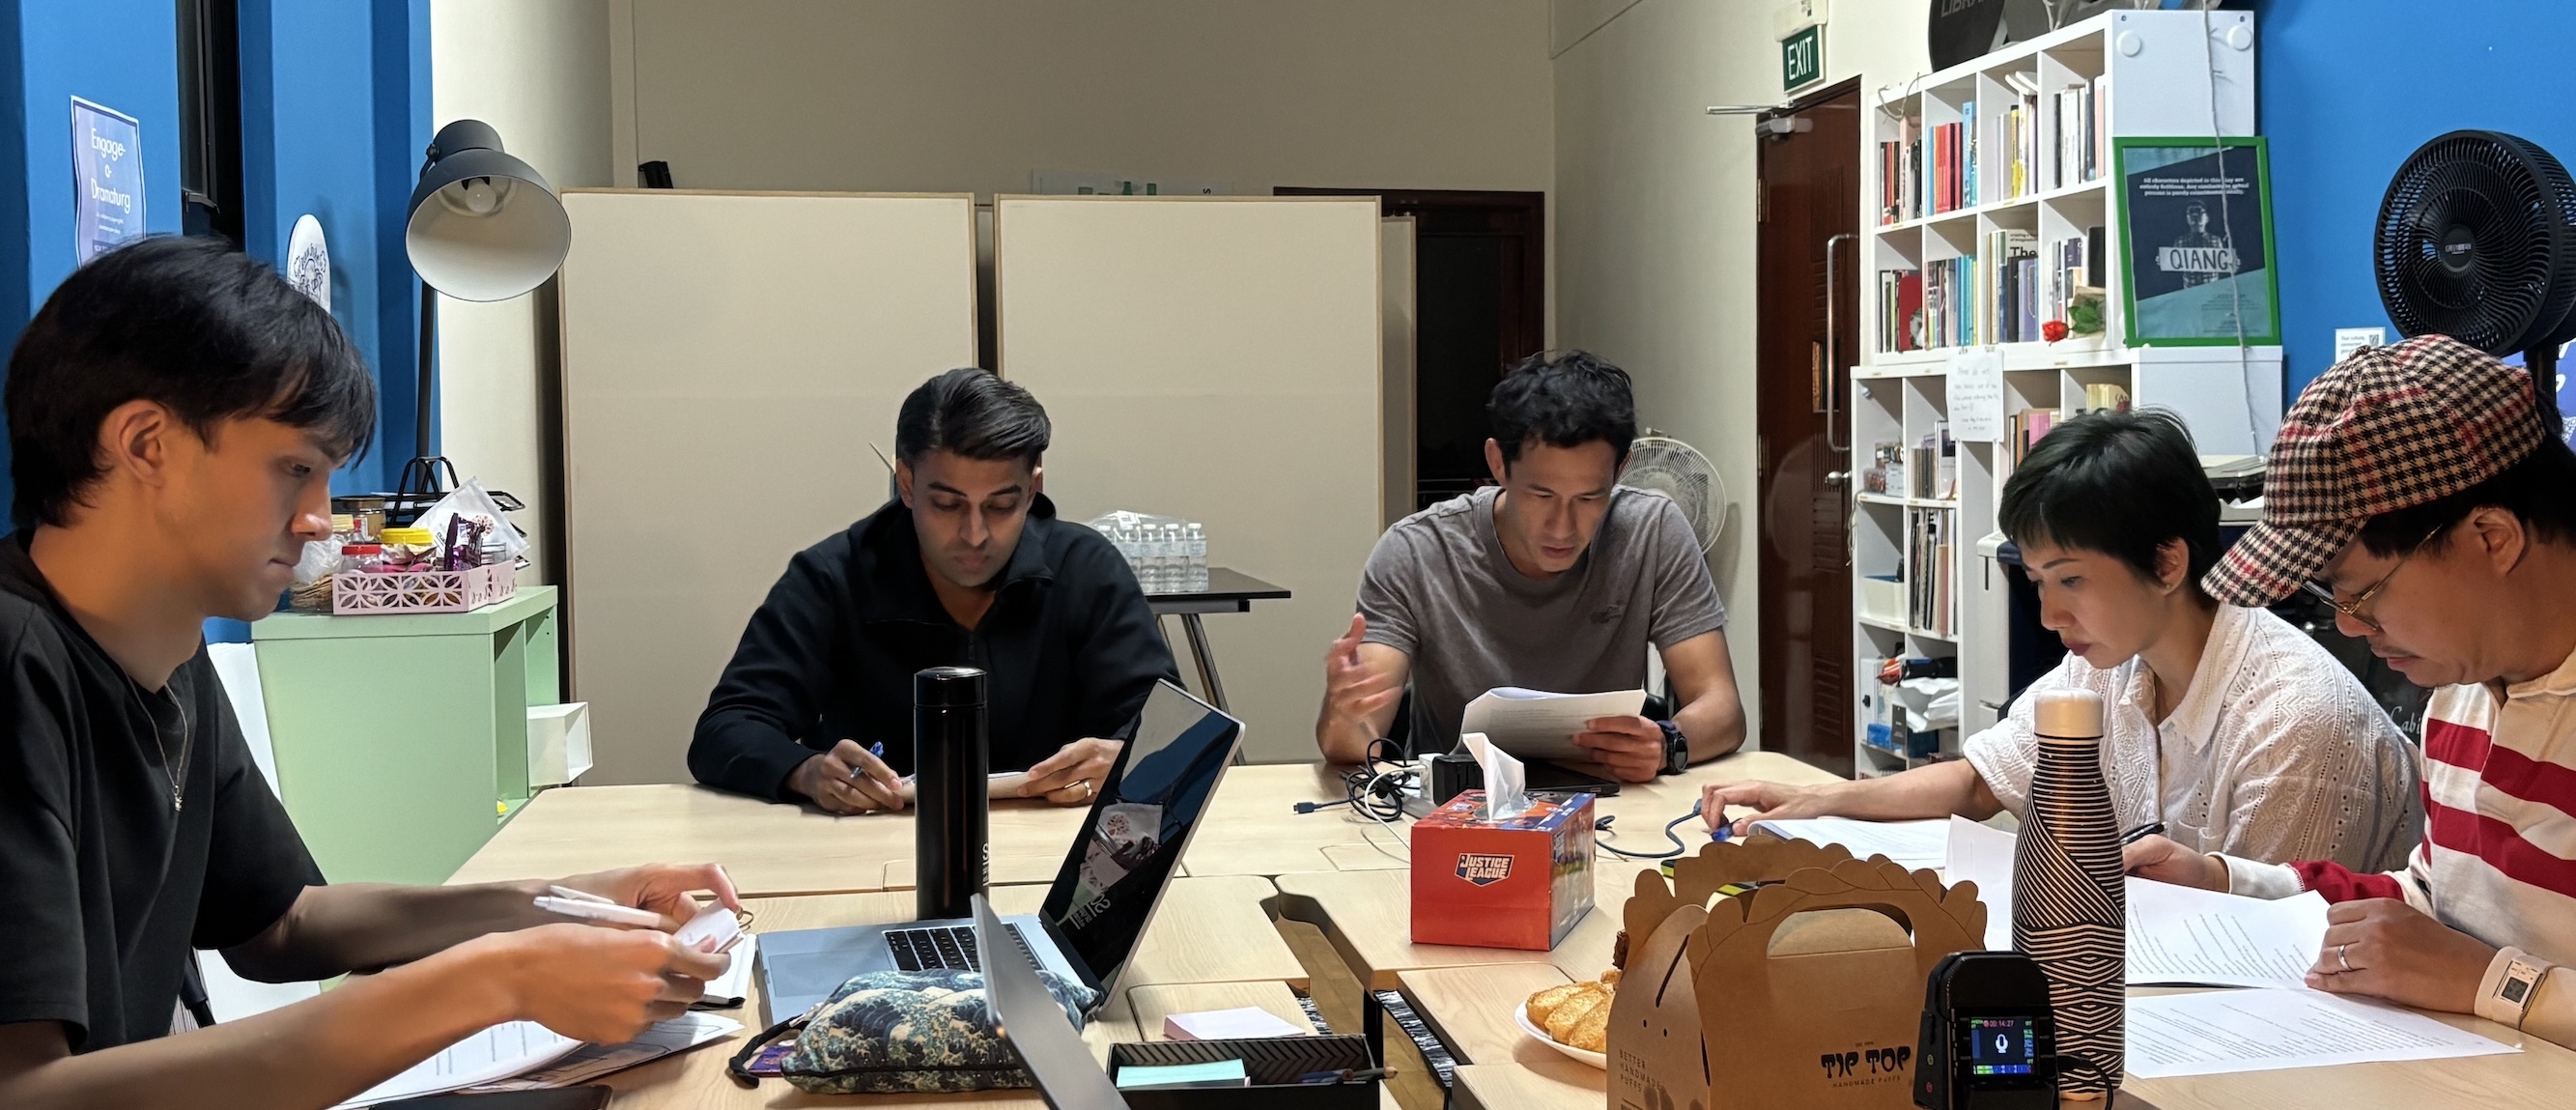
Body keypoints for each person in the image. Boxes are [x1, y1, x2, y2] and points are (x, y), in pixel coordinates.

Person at [0, 237, 738, 1109]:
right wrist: (496, 980)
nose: (320, 521)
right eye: (296, 470)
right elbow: (28, 1092)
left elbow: (281, 923)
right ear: (146, 442)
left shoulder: (168, 651)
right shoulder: (17, 668)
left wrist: (563, 905)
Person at [1704, 410, 2420, 872]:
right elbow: (1982, 779)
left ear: (2167, 562)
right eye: (2036, 579)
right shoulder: (2110, 664)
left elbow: (2259, 949)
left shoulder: (2294, 721)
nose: (2047, 615)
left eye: (2069, 579)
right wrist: (1821, 802)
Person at [2126, 335, 2576, 1048]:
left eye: (2358, 588)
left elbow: (2464, 962)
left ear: (2490, 537)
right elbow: (2432, 907)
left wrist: (2490, 982)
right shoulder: (2458, 695)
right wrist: (2226, 885)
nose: (2345, 622)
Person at [691, 367, 1175, 813]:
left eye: (1002, 505)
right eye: (946, 504)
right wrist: (806, 771)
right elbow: (727, 728)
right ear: (906, 483)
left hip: (1055, 845)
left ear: (1033, 489)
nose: (974, 534)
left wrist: (1123, 758)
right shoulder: (835, 576)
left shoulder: (1084, 568)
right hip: (873, 846)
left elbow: (1173, 731)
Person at [1316, 350, 1745, 782]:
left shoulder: (1652, 531)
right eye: (1541, 496)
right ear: (1498, 463)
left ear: (1620, 470)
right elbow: (1353, 745)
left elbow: (1722, 707)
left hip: (1607, 803)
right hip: (1457, 805)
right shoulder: (1416, 552)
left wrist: (1667, 742)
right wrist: (1343, 712)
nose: (1563, 528)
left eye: (1588, 498)